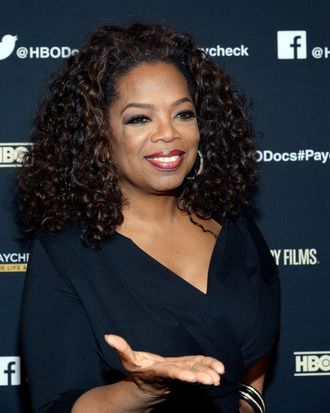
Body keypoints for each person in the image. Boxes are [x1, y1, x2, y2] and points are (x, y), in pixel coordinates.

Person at [18, 22, 280, 413]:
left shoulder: (234, 224)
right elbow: (58, 404)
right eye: (139, 119)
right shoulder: (66, 253)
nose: (168, 134)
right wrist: (143, 389)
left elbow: (258, 339)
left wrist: (248, 402)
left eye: (183, 114)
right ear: (98, 135)